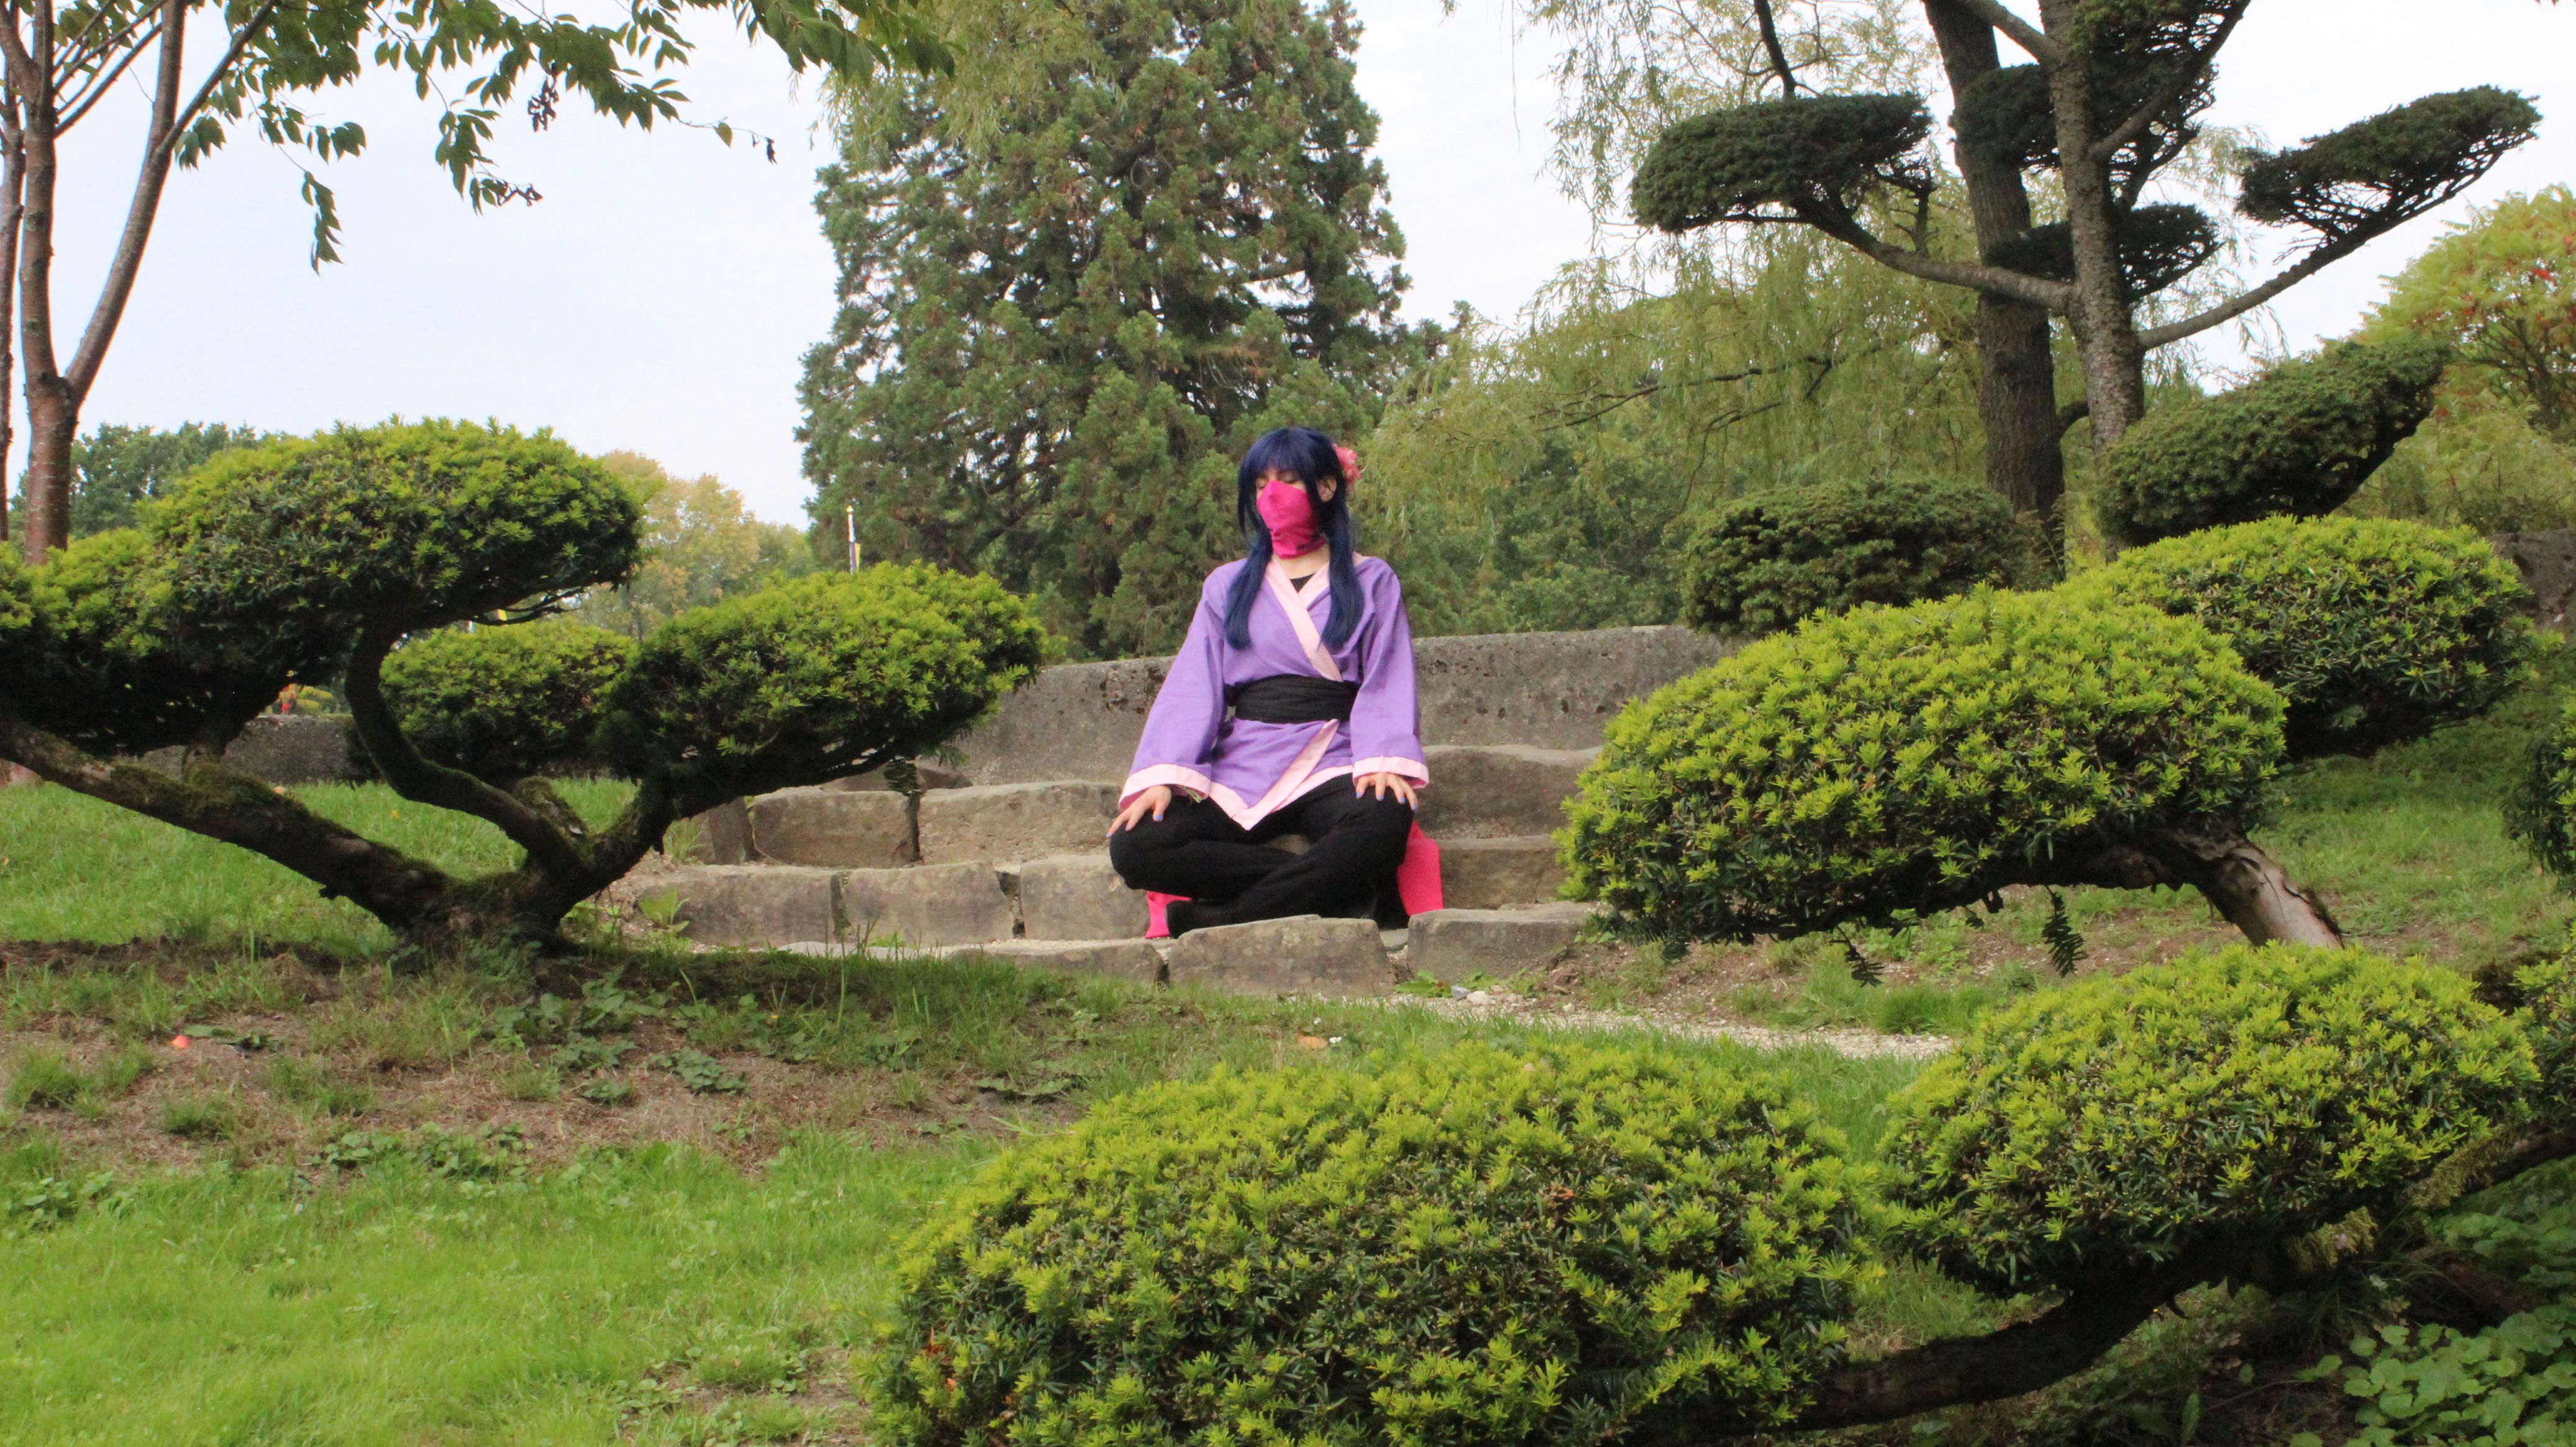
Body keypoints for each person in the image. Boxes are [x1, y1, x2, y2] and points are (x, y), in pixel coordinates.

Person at [1107, 426, 1429, 935]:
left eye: (1286, 479)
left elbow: (1387, 676)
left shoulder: (1372, 579)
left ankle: (1223, 917)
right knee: (1135, 844)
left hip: (1335, 756)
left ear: (1326, 487)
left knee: (1382, 821)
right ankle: (1346, 888)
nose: (1270, 495)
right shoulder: (1226, 585)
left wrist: (1384, 756)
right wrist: (1163, 775)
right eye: (1259, 484)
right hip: (1245, 760)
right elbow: (1195, 683)